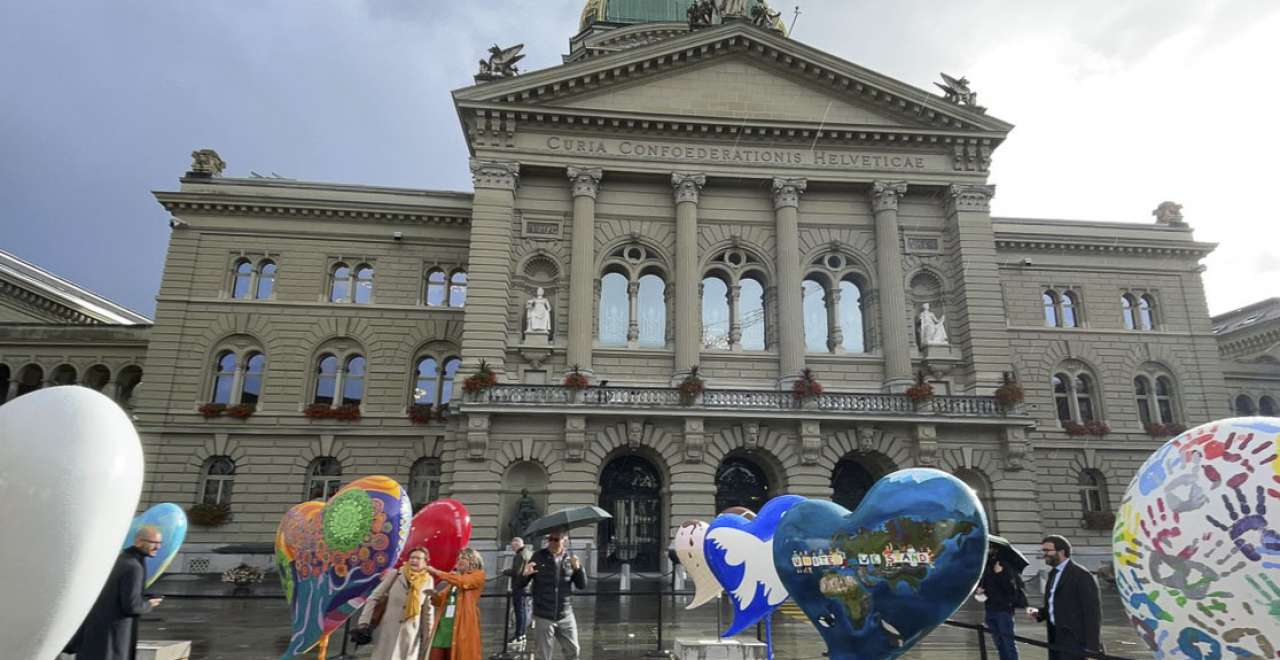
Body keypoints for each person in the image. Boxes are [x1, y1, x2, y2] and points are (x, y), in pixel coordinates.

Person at [76, 526, 165, 660]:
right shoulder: (134, 567)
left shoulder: (119, 560)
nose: (158, 547)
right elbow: (131, 606)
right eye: (154, 543)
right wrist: (149, 604)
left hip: (95, 636)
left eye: (160, 543)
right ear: (139, 541)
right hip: (114, 640)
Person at [1026, 535, 1103, 660]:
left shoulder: (1081, 575)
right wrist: (1039, 613)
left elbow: (1092, 613)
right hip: (1055, 637)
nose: (1044, 554)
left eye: (1047, 550)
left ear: (1061, 552)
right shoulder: (1053, 574)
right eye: (1043, 550)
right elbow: (1055, 604)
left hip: (1076, 640)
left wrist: (1092, 648)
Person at [517, 529, 587, 660]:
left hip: (565, 613)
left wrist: (578, 569)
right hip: (543, 614)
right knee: (543, 656)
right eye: (550, 539)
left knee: (574, 651)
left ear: (564, 541)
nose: (552, 543)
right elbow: (520, 585)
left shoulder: (570, 559)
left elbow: (582, 585)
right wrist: (524, 575)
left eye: (556, 540)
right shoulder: (538, 556)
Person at [357, 547, 435, 660]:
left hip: (409, 636)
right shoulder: (396, 574)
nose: (414, 560)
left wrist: (427, 638)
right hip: (387, 632)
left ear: (425, 562)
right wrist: (364, 622)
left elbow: (428, 611)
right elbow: (374, 597)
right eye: (412, 557)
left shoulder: (428, 581)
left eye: (418, 558)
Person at [426, 547, 486, 660]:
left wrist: (436, 572)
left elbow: (464, 582)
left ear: (473, 561)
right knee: (435, 653)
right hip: (443, 625)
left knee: (459, 654)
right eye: (458, 558)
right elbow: (440, 600)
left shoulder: (478, 575)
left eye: (463, 558)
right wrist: (434, 595)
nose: (459, 561)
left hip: (462, 624)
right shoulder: (454, 581)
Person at [976, 548, 1025, 660]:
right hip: (990, 608)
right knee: (999, 643)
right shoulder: (987, 565)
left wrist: (1000, 574)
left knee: (1008, 643)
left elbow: (1011, 589)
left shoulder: (1004, 565)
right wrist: (980, 589)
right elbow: (988, 585)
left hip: (1004, 610)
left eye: (990, 547)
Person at [501, 537, 533, 643]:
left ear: (517, 544)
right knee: (523, 610)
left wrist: (505, 572)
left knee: (519, 610)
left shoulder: (520, 555)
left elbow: (516, 572)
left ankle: (519, 634)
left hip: (519, 586)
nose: (512, 548)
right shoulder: (528, 553)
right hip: (526, 586)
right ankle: (522, 633)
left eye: (513, 546)